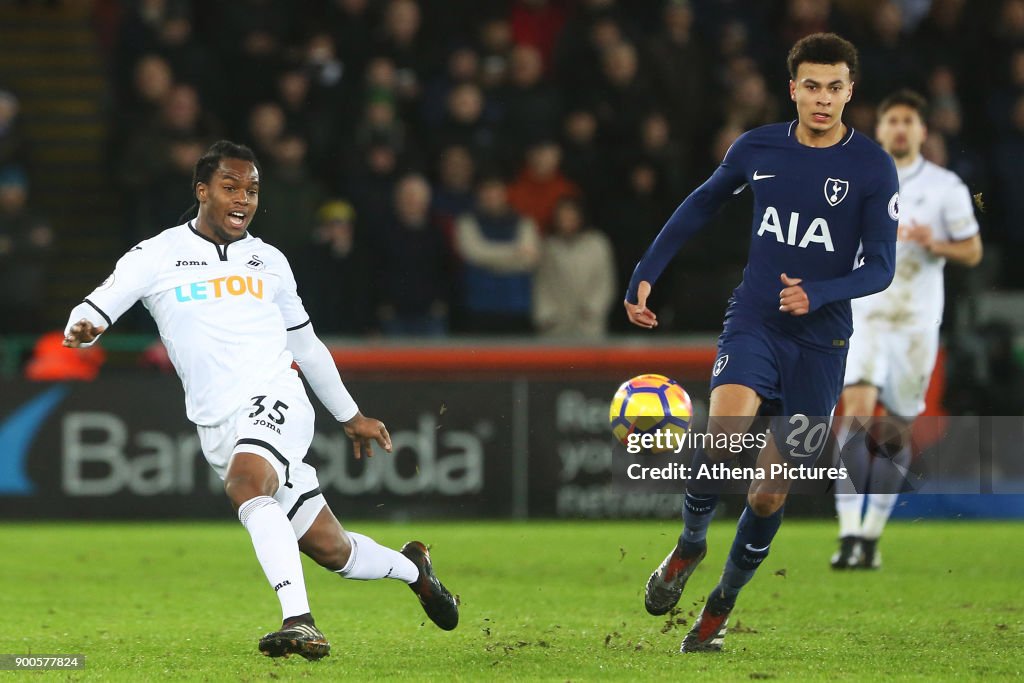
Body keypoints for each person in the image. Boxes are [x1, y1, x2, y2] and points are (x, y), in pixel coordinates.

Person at [62, 141, 458, 660]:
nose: (243, 199)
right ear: (202, 190)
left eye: (251, 190)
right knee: (331, 548)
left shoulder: (269, 261)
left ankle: (300, 622)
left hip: (277, 398)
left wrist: (350, 414)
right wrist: (84, 326)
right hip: (217, 424)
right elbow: (97, 305)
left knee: (247, 484)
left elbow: (305, 346)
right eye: (230, 187)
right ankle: (414, 568)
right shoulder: (154, 255)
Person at [624, 33, 899, 652]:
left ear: (850, 91)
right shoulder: (758, 147)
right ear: (793, 88)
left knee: (770, 490)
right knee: (724, 438)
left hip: (823, 344)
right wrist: (647, 269)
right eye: (811, 86)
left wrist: (822, 292)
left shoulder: (872, 167)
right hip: (756, 320)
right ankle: (689, 545)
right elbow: (700, 205)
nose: (822, 99)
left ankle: (719, 607)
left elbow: (880, 268)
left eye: (834, 87)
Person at [831, 90, 982, 570]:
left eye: (907, 121)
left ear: (921, 131)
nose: (899, 128)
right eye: (891, 119)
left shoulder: (946, 187)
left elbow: (973, 251)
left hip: (915, 325)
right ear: (879, 129)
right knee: (855, 412)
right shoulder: (856, 178)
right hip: (866, 315)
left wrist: (933, 242)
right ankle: (848, 531)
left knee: (894, 430)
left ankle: (872, 534)